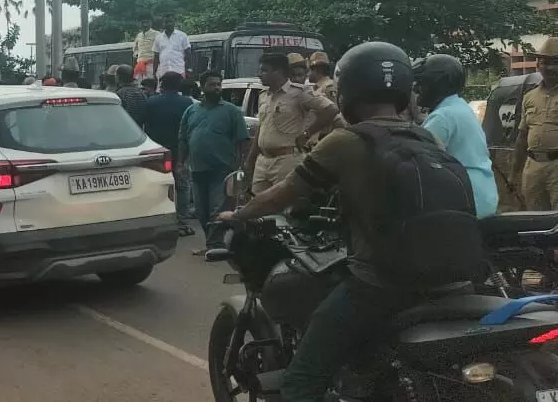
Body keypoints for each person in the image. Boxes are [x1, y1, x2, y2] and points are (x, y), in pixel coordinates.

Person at [218, 41, 480, 400]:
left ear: (348, 91)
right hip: (453, 282)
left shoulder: (346, 141)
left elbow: (284, 193)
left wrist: (239, 213)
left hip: (382, 286)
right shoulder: (427, 136)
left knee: (300, 380)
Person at [242, 53, 339, 194]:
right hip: (263, 160)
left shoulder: (299, 92)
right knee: (257, 202)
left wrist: (307, 133)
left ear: (278, 72)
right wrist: (250, 159)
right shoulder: (263, 95)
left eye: (264, 70)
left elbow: (331, 109)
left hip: (286, 159)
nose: (259, 74)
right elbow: (261, 128)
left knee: (283, 203)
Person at [415, 54, 497, 218]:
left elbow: (419, 159)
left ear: (435, 85)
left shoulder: (442, 117)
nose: (417, 89)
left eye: (422, 83)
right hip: (482, 194)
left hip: (466, 199)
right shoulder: (460, 107)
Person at [178, 71, 249, 250]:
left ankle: (214, 246)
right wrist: (180, 163)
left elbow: (243, 141)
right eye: (212, 84)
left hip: (222, 169)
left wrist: (240, 166)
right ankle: (213, 244)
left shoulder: (232, 111)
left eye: (218, 84)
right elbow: (183, 139)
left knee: (217, 210)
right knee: (200, 211)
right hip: (197, 169)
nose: (217, 88)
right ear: (202, 87)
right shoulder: (191, 110)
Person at [143, 72, 195, 235]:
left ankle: (158, 222)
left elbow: (146, 126)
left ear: (162, 84)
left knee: (158, 186)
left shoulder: (151, 102)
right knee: (182, 187)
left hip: (157, 152)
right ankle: (181, 223)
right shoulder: (187, 102)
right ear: (179, 85)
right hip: (180, 152)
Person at [514, 36, 558, 211]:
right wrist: (514, 173)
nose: (550, 67)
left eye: (555, 62)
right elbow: (522, 137)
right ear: (538, 65)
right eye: (545, 62)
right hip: (532, 167)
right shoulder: (529, 96)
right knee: (535, 217)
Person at [152, 13, 190, 79]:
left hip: (179, 71)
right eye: (166, 22)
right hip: (163, 71)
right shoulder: (158, 38)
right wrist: (154, 72)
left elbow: (188, 54)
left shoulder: (183, 35)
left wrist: (188, 70)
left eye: (171, 21)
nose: (169, 24)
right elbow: (156, 57)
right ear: (163, 23)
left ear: (174, 22)